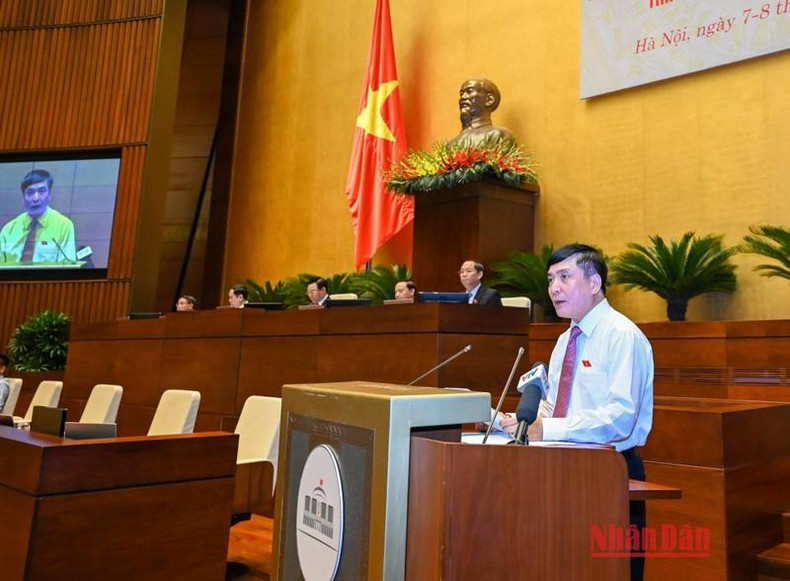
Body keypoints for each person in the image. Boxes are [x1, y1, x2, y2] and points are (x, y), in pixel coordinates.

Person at [501, 243, 653, 581]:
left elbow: (620, 417)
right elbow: (555, 404)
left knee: (611, 571)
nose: (554, 288)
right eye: (551, 279)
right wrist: (519, 421)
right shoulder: (565, 340)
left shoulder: (622, 336)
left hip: (610, 470)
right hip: (562, 468)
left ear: (594, 283)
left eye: (565, 277)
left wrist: (548, 430)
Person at [0, 169, 76, 264]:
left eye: (41, 191)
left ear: (49, 194)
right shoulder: (8, 230)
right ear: (23, 197)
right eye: (30, 192)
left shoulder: (64, 226)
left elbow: (68, 268)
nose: (36, 198)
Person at [446, 79, 516, 148]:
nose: (463, 97)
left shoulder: (498, 135)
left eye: (469, 91)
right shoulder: (450, 144)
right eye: (461, 94)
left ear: (489, 100)